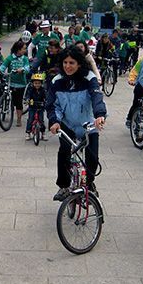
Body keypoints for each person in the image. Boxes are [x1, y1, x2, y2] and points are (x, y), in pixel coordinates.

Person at [47, 46, 107, 201]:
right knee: (64, 152)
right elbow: (53, 105)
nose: (68, 66)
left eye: (72, 63)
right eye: (65, 62)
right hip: (67, 124)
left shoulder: (89, 78)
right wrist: (54, 121)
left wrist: (100, 115)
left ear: (79, 63)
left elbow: (96, 97)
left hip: (88, 124)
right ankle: (64, 186)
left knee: (92, 157)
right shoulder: (57, 81)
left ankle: (90, 183)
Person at [0, 40, 30, 126]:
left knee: (18, 102)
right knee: (0, 93)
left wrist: (22, 69)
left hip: (21, 84)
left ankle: (19, 119)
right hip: (10, 82)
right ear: (18, 50)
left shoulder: (25, 59)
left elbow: (27, 68)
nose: (25, 50)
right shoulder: (10, 58)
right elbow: (3, 66)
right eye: (23, 49)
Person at [25, 73, 47, 141]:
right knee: (30, 119)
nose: (37, 85)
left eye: (39, 83)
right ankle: (28, 133)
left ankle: (43, 134)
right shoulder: (31, 89)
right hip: (32, 106)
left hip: (40, 107)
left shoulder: (43, 90)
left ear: (41, 83)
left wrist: (46, 101)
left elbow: (46, 97)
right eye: (35, 83)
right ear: (33, 83)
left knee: (41, 120)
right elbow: (28, 95)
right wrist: (27, 100)